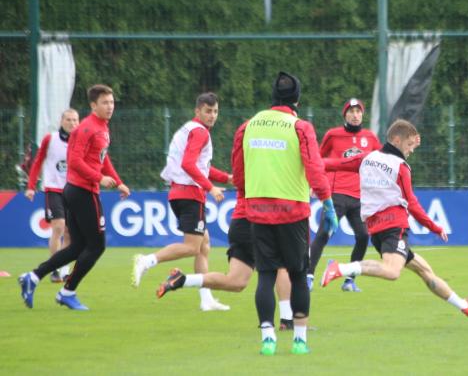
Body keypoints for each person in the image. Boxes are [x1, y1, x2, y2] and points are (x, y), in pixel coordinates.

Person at [320, 119, 468, 322]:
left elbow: (335, 164)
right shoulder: (401, 167)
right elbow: (412, 204)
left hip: (377, 231)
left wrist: (309, 164)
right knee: (392, 271)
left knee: (425, 271)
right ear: (396, 140)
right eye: (409, 145)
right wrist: (435, 227)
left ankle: (466, 307)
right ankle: (340, 269)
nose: (411, 150)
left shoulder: (367, 158)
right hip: (394, 226)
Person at [233, 71, 337, 355]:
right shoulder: (300, 127)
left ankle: (268, 337)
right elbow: (315, 168)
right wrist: (327, 203)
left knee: (265, 275)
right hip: (292, 212)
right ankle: (299, 340)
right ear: (297, 100)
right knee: (298, 273)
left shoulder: (248, 125)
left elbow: (238, 171)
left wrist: (245, 196)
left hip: (257, 209)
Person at [156, 121, 296, 330]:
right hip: (259, 220)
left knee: (236, 282)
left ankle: (183, 280)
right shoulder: (269, 165)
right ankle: (287, 320)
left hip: (240, 224)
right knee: (282, 265)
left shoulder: (245, 158)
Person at [18, 84, 130, 310]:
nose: (110, 107)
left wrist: (117, 181)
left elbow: (102, 158)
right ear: (93, 105)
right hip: (82, 192)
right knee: (97, 245)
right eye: (105, 103)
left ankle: (33, 277)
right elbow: (76, 162)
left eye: (112, 102)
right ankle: (67, 292)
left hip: (79, 191)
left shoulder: (102, 127)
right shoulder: (87, 128)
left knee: (77, 246)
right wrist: (99, 178)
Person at [132, 92, 231, 311]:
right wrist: (210, 187)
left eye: (215, 111)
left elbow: (199, 165)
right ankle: (147, 260)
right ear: (198, 111)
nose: (212, 115)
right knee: (191, 247)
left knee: (203, 245)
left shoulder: (188, 128)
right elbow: (188, 164)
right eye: (208, 111)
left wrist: (226, 178)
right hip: (190, 194)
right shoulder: (200, 132)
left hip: (179, 192)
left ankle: (206, 300)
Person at [307, 98, 381, 292]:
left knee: (364, 236)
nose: (355, 115)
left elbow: (381, 160)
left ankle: (350, 280)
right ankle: (309, 275)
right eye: (351, 111)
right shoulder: (333, 135)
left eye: (358, 111)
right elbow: (318, 160)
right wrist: (315, 183)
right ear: (345, 114)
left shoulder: (370, 138)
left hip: (359, 198)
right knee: (324, 233)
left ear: (362, 115)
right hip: (336, 194)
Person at [25, 109, 80, 282]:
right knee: (58, 227)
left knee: (70, 233)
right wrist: (31, 186)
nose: (72, 123)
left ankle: (64, 270)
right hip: (54, 190)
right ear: (61, 121)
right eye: (68, 120)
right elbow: (38, 161)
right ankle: (54, 268)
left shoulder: (80, 141)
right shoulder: (51, 139)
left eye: (75, 120)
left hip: (73, 190)